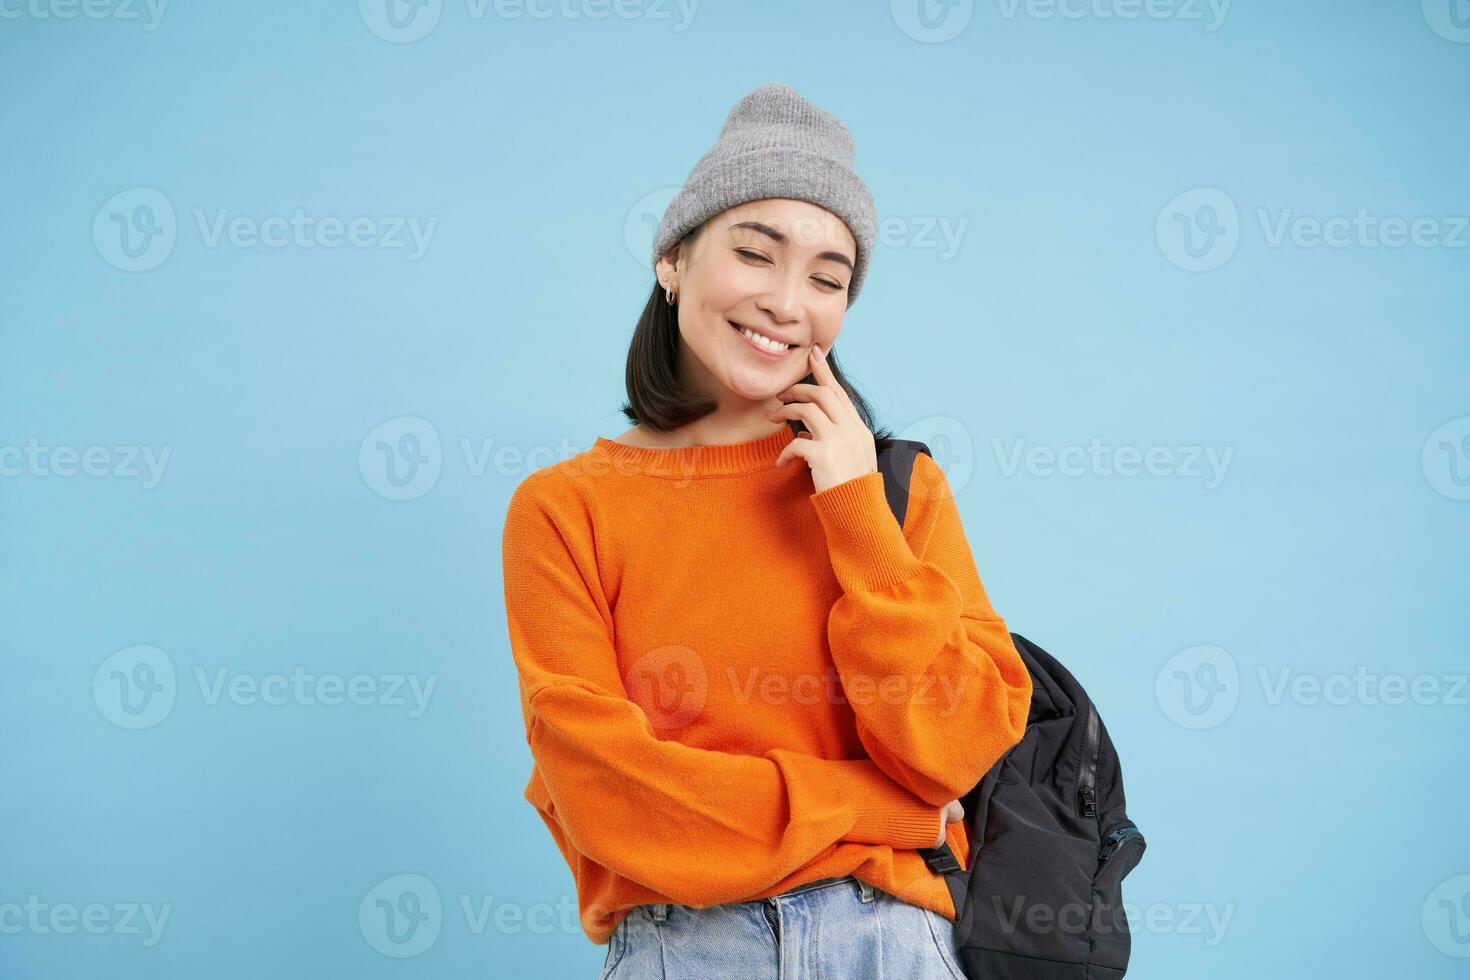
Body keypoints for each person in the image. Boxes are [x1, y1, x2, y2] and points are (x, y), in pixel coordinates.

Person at [501, 81, 1033, 979]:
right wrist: (885, 811)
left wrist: (858, 518)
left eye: (828, 278)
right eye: (756, 254)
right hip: (684, 949)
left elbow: (956, 751)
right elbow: (609, 799)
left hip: (896, 947)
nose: (789, 302)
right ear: (672, 260)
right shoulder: (567, 507)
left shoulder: (895, 491)